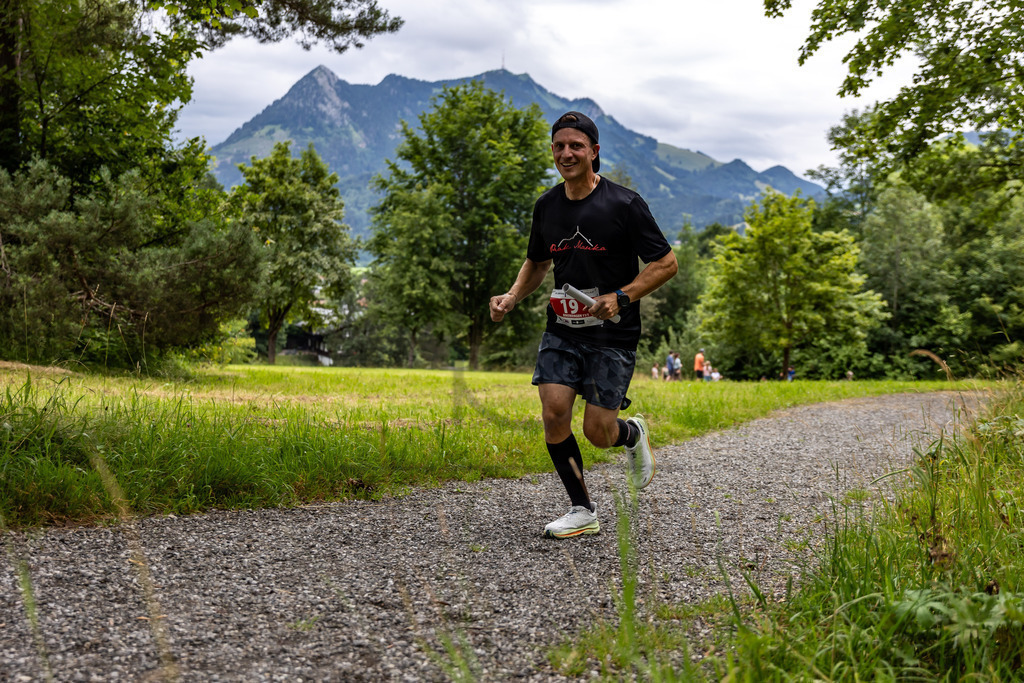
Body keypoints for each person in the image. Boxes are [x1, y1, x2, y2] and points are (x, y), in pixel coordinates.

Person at [489, 111, 678, 539]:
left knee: (597, 432)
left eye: (576, 146)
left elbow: (666, 263)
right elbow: (537, 262)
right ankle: (582, 509)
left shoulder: (624, 204)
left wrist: (621, 296)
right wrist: (513, 296)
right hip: (562, 328)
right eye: (559, 146)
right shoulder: (548, 206)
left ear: (594, 152)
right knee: (554, 413)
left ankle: (630, 433)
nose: (566, 153)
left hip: (613, 333)